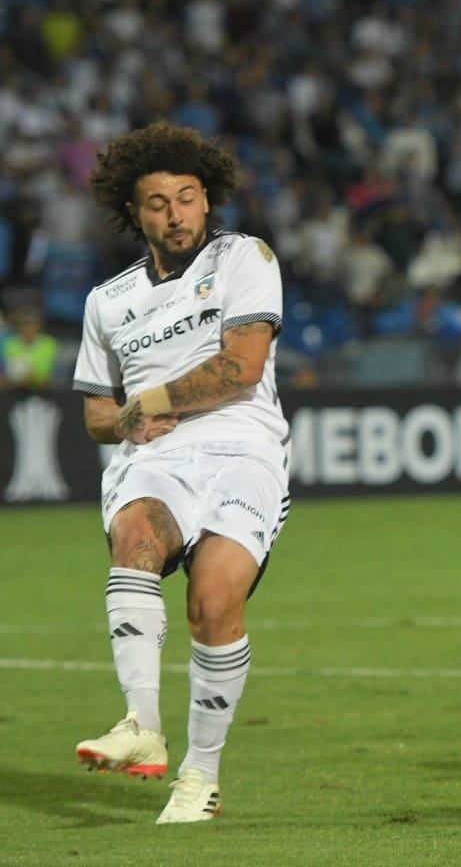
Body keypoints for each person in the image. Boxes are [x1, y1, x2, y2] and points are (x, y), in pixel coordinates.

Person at [71, 122, 291, 824]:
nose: (176, 215)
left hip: (244, 449)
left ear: (207, 200)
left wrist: (152, 400)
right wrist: (126, 421)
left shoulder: (243, 257)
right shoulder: (107, 301)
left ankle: (201, 778)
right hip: (156, 458)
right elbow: (97, 414)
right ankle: (141, 722)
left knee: (214, 604)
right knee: (136, 535)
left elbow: (241, 368)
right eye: (159, 203)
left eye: (187, 198)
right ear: (134, 213)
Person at [1, 304, 60, 389]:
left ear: (38, 325)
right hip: (13, 389)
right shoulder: (11, 344)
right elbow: (5, 372)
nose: (28, 328)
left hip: (41, 391)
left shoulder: (49, 345)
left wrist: (32, 378)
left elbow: (51, 377)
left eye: (31, 324)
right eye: (24, 324)